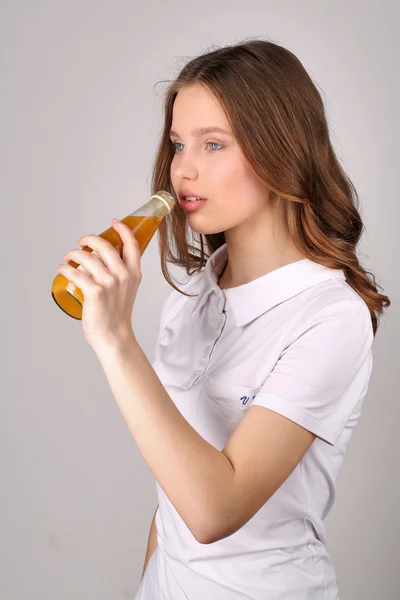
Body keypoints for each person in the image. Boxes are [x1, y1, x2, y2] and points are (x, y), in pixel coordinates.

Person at [57, 38, 390, 600]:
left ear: (282, 149)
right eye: (178, 144)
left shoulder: (331, 317)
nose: (183, 169)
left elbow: (214, 509)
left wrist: (116, 340)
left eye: (213, 144)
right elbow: (173, 499)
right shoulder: (194, 292)